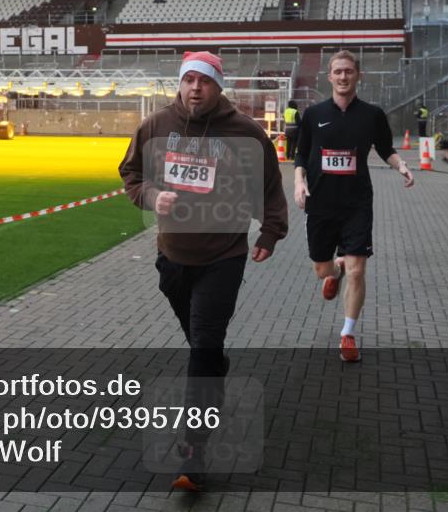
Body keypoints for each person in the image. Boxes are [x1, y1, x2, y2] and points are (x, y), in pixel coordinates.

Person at [119, 51, 288, 491]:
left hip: (223, 256)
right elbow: (130, 173)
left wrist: (270, 233)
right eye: (189, 80)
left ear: (219, 86)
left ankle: (193, 452)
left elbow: (269, 187)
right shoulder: (155, 126)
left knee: (203, 347)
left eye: (205, 81)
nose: (196, 88)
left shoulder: (245, 133)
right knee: (203, 346)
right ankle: (213, 363)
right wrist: (151, 196)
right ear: (180, 84)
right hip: (172, 256)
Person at [293, 50, 414, 363]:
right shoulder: (313, 113)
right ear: (330, 77)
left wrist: (401, 165)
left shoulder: (372, 114)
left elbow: (386, 148)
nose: (343, 77)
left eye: (348, 71)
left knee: (359, 270)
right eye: (338, 72)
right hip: (320, 203)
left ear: (358, 75)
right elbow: (301, 154)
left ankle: (347, 334)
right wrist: (298, 182)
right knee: (322, 270)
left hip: (357, 203)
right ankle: (336, 270)